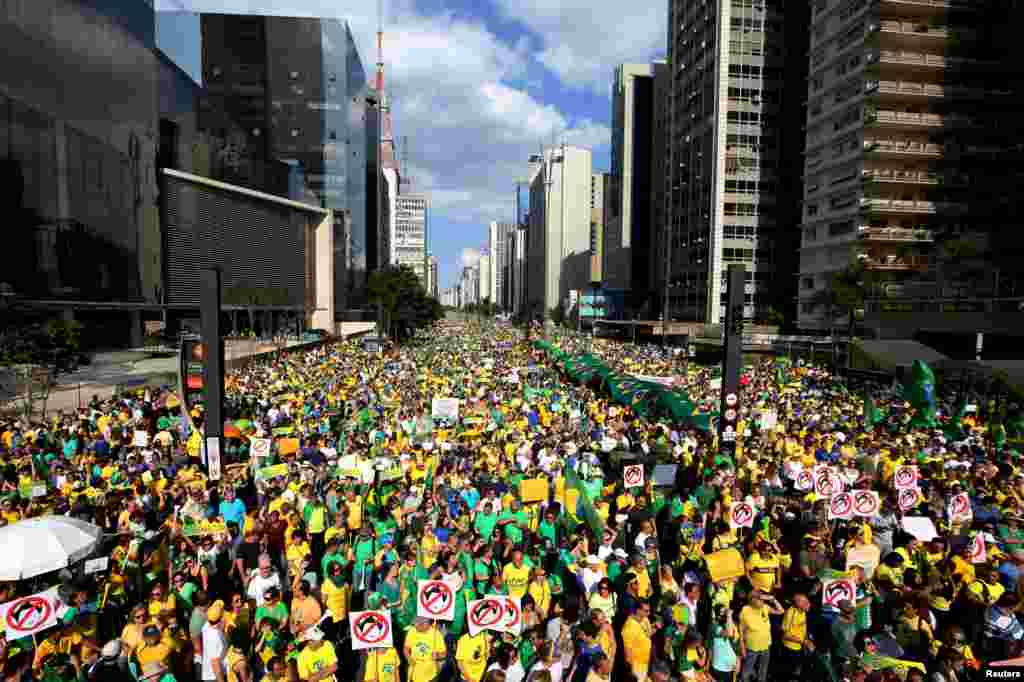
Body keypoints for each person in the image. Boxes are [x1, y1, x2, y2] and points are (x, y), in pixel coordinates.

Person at [738, 591, 782, 682]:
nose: (762, 602)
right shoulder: (745, 610)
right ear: (752, 600)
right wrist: (742, 646)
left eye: (762, 600)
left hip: (766, 645)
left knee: (763, 669)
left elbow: (781, 611)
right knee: (747, 669)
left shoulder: (765, 607)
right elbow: (741, 630)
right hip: (752, 647)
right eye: (759, 600)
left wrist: (773, 599)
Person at [405, 616, 447, 682]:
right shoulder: (412, 631)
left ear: (429, 623)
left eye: (422, 623)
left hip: (431, 674)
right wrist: (408, 658)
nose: (418, 625)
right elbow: (406, 648)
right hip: (414, 672)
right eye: (416, 622)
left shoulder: (436, 634)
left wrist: (437, 655)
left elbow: (444, 654)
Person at [621, 601, 654, 682]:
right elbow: (627, 653)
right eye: (646, 611)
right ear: (638, 611)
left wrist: (656, 627)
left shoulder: (645, 619)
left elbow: (648, 634)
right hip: (636, 667)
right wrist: (631, 673)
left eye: (649, 610)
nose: (649, 613)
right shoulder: (629, 628)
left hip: (646, 663)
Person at [200, 600, 227, 682]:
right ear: (221, 617)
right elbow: (215, 663)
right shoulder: (215, 637)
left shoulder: (206, 626)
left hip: (209, 674)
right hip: (215, 677)